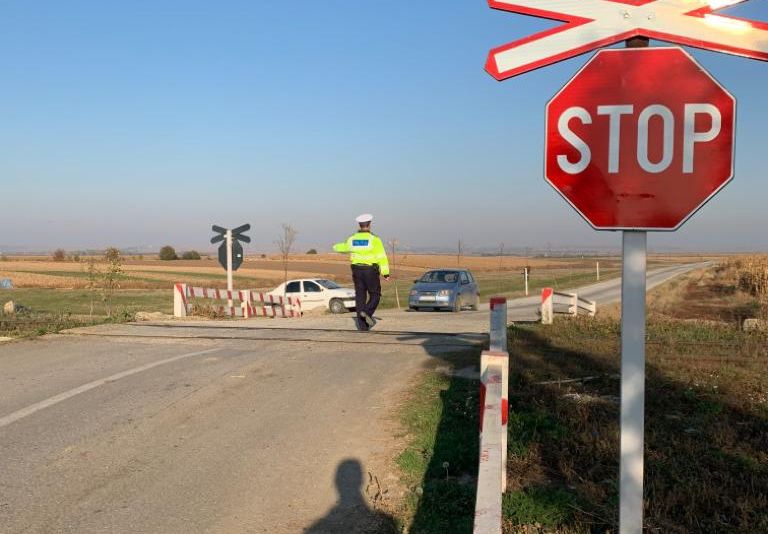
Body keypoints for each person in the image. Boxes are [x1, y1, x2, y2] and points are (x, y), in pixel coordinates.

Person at [333, 214, 389, 331]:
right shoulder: (374, 239)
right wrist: (385, 273)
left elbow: (343, 247)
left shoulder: (352, 239)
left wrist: (335, 247)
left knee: (360, 297)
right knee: (375, 294)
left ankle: (362, 327)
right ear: (370, 224)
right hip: (370, 270)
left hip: (356, 270)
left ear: (359, 225)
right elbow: (382, 257)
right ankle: (367, 312)